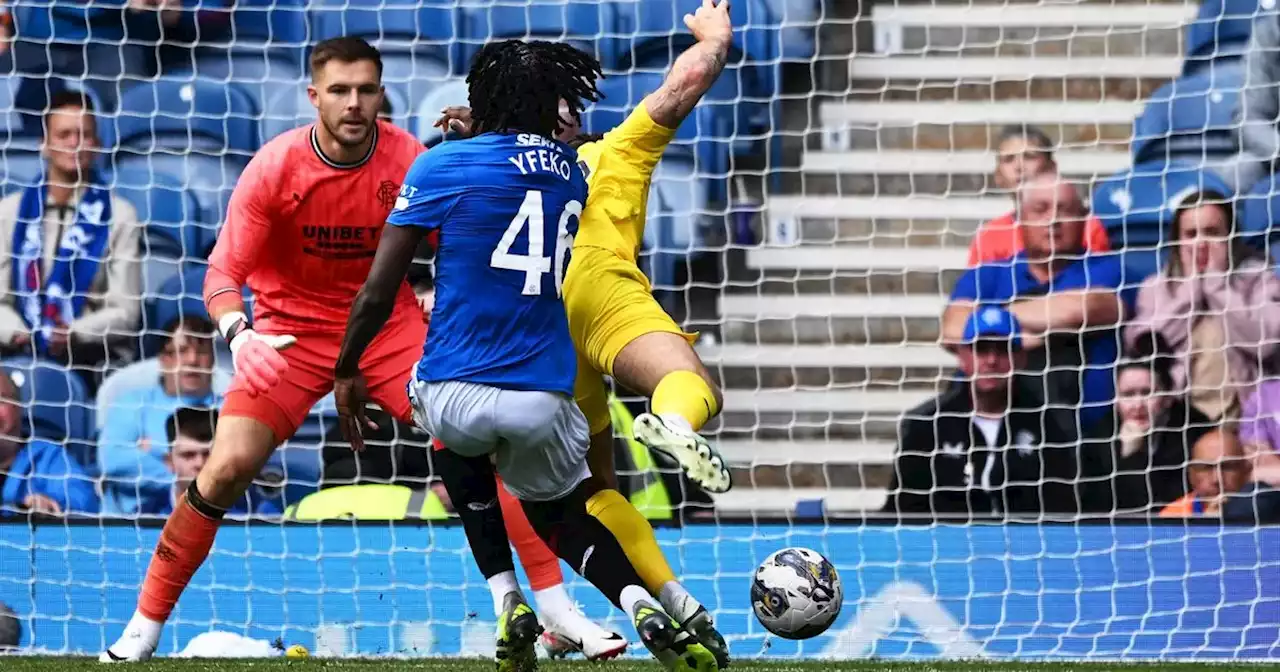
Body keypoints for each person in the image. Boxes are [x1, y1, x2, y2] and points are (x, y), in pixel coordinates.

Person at [334, 34, 718, 672]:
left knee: (454, 448)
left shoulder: (440, 165)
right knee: (566, 515)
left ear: (480, 99)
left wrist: (346, 369)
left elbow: (378, 293)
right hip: (543, 396)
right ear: (551, 107)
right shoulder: (573, 174)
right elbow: (527, 164)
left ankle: (507, 595)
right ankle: (638, 599)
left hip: (453, 391)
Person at [423, 1, 738, 663]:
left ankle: (671, 602)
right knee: (687, 382)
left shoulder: (488, 165)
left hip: (533, 330)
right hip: (600, 293)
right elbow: (681, 87)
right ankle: (675, 425)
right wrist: (714, 39)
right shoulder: (614, 152)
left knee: (591, 496)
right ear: (565, 113)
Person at [99, 36, 428, 663]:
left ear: (381, 94)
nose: (354, 104)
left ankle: (535, 610)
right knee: (224, 469)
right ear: (314, 97)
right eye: (339, 91)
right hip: (287, 337)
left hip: (387, 331)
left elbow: (453, 246)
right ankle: (142, 628)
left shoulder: (410, 159)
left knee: (472, 440)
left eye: (365, 90)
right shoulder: (275, 168)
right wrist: (238, 333)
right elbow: (221, 275)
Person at [942, 174, 1135, 429]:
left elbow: (1078, 311)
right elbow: (953, 331)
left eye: (1064, 210)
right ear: (1019, 219)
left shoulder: (1112, 270)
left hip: (1084, 432)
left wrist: (993, 322)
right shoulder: (987, 273)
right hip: (985, 427)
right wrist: (1047, 330)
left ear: (1084, 217)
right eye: (1040, 210)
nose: (1053, 219)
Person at [884, 305, 1080, 517]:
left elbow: (1063, 509)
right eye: (981, 349)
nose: (992, 361)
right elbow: (903, 510)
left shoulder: (1050, 425)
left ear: (1020, 358)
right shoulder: (926, 425)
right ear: (963, 358)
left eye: (1002, 350)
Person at [0, 90, 142, 364]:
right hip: (16, 352)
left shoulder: (121, 216)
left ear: (97, 144)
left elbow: (126, 311)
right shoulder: (9, 212)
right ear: (44, 143)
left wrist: (75, 332)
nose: (75, 144)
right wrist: (16, 331)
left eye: (84, 135)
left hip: (89, 357)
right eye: (64, 135)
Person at [1125, 191, 1280, 423]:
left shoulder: (1259, 279)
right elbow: (1151, 345)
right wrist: (1194, 287)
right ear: (1177, 242)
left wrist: (1216, 286)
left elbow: (1265, 344)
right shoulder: (1155, 288)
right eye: (1191, 234)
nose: (1201, 243)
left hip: (1248, 419)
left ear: (1230, 238)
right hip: (1179, 421)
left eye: (1212, 232)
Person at [97, 316, 223, 515]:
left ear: (213, 359)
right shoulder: (131, 403)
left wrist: (153, 451)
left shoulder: (229, 409)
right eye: (182, 351)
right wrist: (181, 478)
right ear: (165, 360)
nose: (192, 359)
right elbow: (112, 460)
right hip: (129, 523)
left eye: (201, 351)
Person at [1080, 333, 1212, 516]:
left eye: (1147, 392)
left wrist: (1133, 459)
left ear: (1167, 398)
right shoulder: (1100, 436)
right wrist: (1127, 454)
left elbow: (1164, 507)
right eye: (1128, 394)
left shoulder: (1195, 430)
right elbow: (1098, 506)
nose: (1137, 405)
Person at [968, 125, 1110, 266]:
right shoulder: (990, 235)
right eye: (1009, 159)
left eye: (1029, 157)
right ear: (998, 176)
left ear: (1051, 167)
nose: (1019, 167)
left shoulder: (1086, 226)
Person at [136, 407, 281, 517]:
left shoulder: (258, 513)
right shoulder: (144, 516)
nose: (199, 463)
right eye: (188, 455)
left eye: (208, 454)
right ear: (170, 462)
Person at [0, 369, 98, 516]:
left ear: (18, 406)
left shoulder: (48, 458)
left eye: (1, 401)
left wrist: (54, 505)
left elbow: (84, 503)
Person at [1160, 428, 1253, 518]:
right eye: (1207, 468)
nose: (1217, 479)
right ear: (1191, 475)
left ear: (1245, 471)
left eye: (1227, 467)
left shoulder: (1264, 511)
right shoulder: (1173, 516)